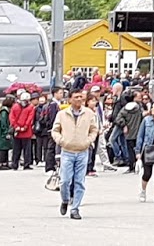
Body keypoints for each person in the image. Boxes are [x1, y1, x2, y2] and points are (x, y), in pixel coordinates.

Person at [51, 90, 97, 220]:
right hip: (67, 151)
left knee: (79, 181)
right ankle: (65, 199)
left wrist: (88, 141)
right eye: (76, 97)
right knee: (65, 180)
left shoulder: (88, 113)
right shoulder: (62, 114)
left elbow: (94, 129)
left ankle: (75, 208)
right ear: (70, 99)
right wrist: (61, 141)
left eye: (81, 97)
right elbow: (55, 130)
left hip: (82, 151)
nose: (79, 99)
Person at [8, 94, 36, 171]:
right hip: (26, 131)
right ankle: (26, 164)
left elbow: (11, 117)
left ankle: (15, 164)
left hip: (18, 131)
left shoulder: (15, 106)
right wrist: (25, 127)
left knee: (16, 149)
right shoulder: (30, 107)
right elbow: (30, 118)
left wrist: (16, 126)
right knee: (26, 149)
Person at [33, 93, 58, 178]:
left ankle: (47, 163)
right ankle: (47, 165)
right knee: (48, 147)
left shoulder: (47, 106)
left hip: (45, 129)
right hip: (46, 129)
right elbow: (50, 119)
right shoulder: (53, 105)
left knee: (47, 147)